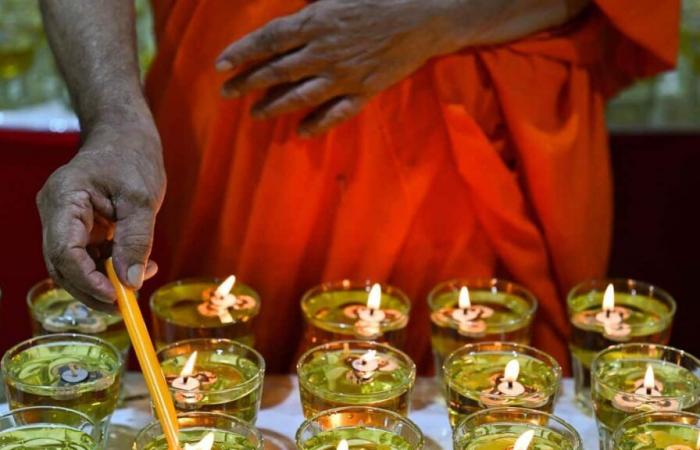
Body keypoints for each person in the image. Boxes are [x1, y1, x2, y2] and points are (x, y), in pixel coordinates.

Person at [37, 0, 679, 372]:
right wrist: (115, 115)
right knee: (225, 380)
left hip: (478, 132)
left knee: (486, 392)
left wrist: (441, 16)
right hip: (236, 131)